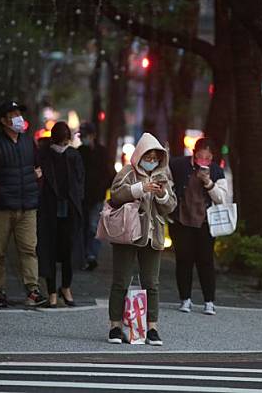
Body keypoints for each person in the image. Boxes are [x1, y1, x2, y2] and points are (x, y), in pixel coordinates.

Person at [107, 133, 177, 346]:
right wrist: (140, 189)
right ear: (140, 155)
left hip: (152, 235)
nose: (152, 161)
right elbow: (115, 195)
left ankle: (152, 328)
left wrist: (162, 194)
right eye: (148, 157)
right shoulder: (128, 172)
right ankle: (115, 326)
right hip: (127, 234)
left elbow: (171, 206)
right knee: (121, 281)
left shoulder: (162, 176)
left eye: (156, 158)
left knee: (152, 283)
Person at [0, 101, 47, 308]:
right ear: (3, 121)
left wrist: (37, 187)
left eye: (19, 114)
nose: (18, 118)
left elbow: (38, 168)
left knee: (29, 250)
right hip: (2, 208)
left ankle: (32, 290)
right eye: (13, 114)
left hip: (27, 207)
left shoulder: (28, 142)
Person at [169, 138, 228, 316]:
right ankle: (185, 299)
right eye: (200, 157)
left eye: (208, 158)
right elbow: (168, 182)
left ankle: (209, 301)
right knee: (183, 259)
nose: (204, 161)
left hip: (206, 223)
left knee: (206, 261)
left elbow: (222, 198)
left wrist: (208, 182)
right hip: (181, 220)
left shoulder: (217, 171)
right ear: (194, 154)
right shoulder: (179, 165)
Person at [36, 121, 85, 308]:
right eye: (61, 142)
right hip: (49, 209)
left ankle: (65, 287)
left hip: (69, 210)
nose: (63, 146)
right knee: (48, 250)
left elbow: (80, 184)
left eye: (65, 142)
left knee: (68, 251)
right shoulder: (44, 155)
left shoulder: (74, 156)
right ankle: (51, 292)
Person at [77, 122, 114, 271]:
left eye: (85, 135)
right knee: (83, 227)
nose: (83, 138)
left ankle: (91, 255)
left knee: (93, 227)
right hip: (82, 197)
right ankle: (84, 255)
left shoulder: (102, 153)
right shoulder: (80, 152)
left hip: (97, 196)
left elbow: (109, 173)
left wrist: (103, 189)